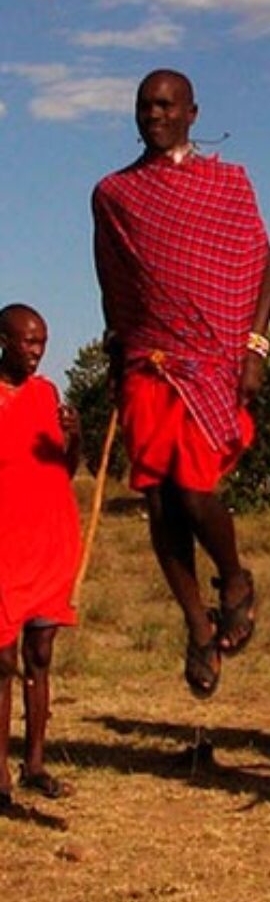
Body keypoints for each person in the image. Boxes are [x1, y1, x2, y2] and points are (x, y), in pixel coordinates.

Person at [92, 70, 270, 700]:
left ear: (193, 113)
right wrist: (117, 344)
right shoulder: (115, 194)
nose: (154, 114)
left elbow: (262, 265)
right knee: (161, 502)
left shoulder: (227, 183)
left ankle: (235, 580)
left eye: (166, 105)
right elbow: (112, 278)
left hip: (215, 361)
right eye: (145, 105)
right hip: (148, 362)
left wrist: (255, 348)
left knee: (195, 492)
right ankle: (198, 626)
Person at [0, 304, 82, 804]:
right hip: (5, 543)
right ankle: (0, 779)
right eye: (28, 342)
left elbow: (66, 469)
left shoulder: (48, 394)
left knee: (41, 655)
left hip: (50, 539)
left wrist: (75, 437)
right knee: (2, 660)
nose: (36, 352)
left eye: (42, 343)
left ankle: (34, 764)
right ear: (4, 340)